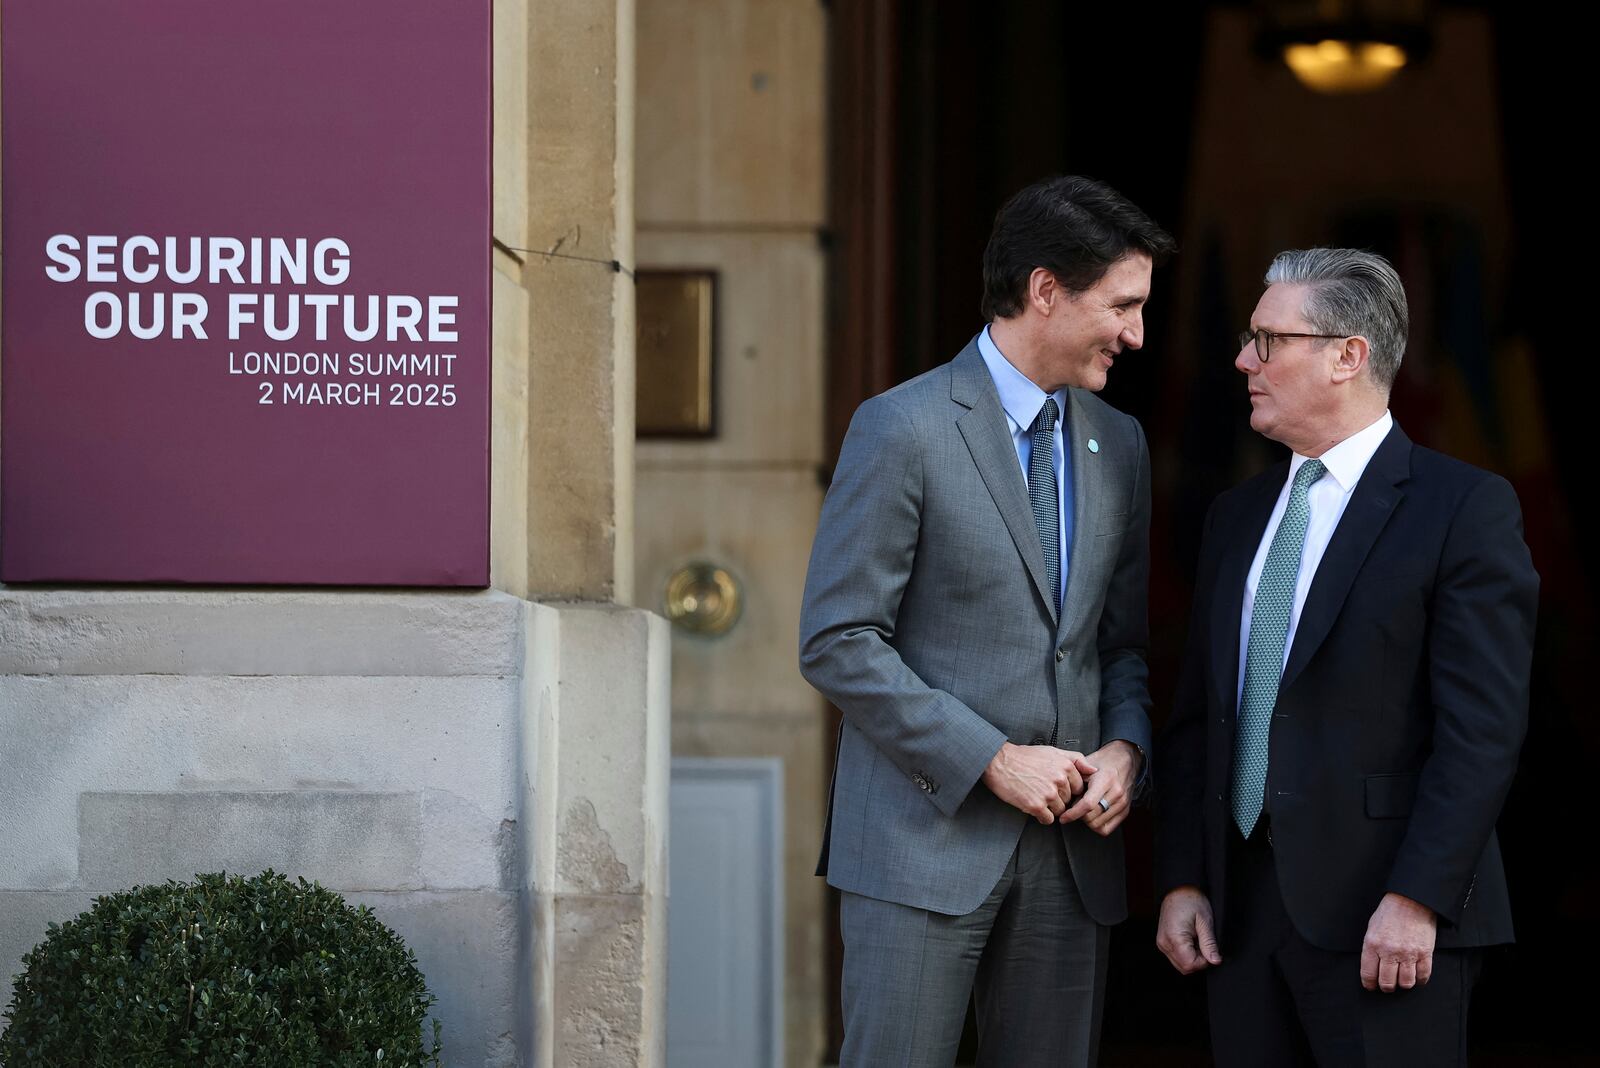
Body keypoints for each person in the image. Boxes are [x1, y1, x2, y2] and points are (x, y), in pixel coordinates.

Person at [799, 175, 1174, 1067]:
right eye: (1122, 305)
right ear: (1046, 290)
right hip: (918, 850)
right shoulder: (902, 427)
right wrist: (992, 760)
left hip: (1072, 864)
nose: (1137, 334)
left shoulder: (1119, 442)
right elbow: (838, 641)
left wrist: (1127, 747)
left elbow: (1120, 643)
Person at [1154, 248, 1538, 1065]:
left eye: (1267, 339)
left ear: (1348, 356)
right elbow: (1197, 714)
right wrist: (1184, 874)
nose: (1242, 359)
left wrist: (1417, 897)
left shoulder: (1463, 508)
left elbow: (1482, 732)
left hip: (1387, 921)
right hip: (1240, 918)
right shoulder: (1235, 514)